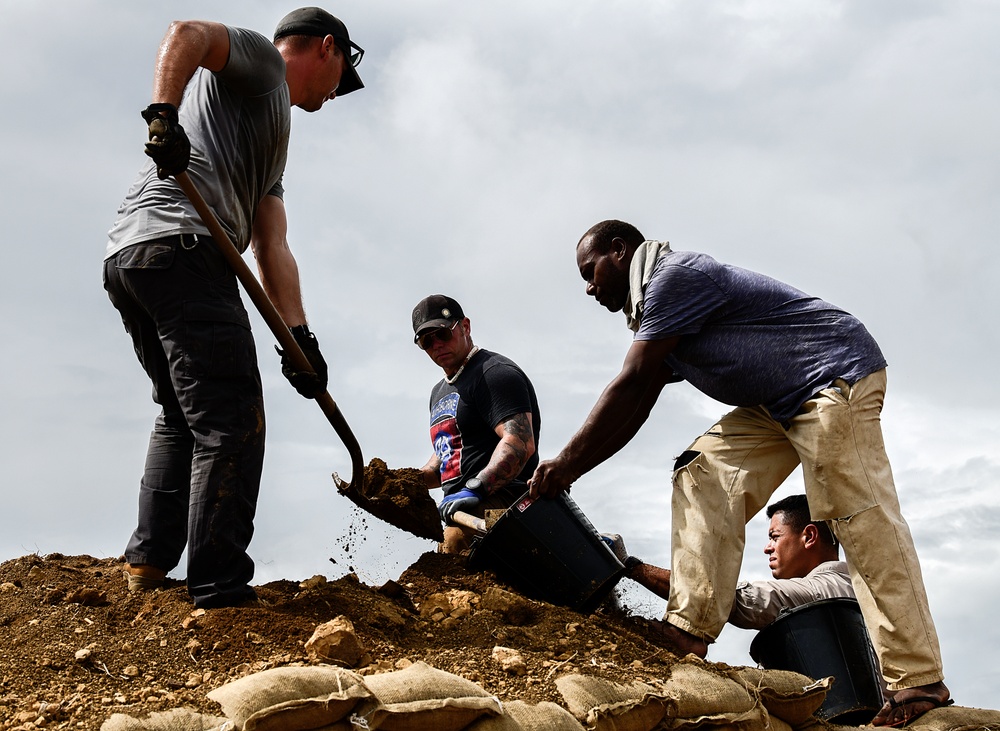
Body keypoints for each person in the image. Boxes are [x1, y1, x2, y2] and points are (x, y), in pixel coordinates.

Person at [529, 220, 951, 726]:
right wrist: (574, 470)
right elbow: (638, 402)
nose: (590, 287)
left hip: (831, 374)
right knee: (702, 470)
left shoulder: (673, 278)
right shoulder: (659, 319)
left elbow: (631, 381)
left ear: (620, 252)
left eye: (591, 272)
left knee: (859, 519)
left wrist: (566, 464)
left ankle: (918, 681)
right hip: (777, 402)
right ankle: (689, 628)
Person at [103, 8, 365, 608]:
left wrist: (301, 341)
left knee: (181, 412)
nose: (333, 96)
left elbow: (272, 245)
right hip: (183, 245)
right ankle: (217, 585)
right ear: (326, 48)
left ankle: (148, 563)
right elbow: (187, 34)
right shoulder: (264, 66)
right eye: (339, 78)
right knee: (230, 417)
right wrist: (163, 115)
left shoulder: (269, 149)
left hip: (134, 255)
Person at [412, 295, 541, 554]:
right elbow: (447, 458)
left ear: (465, 327)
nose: (436, 344)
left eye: (442, 334)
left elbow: (519, 443)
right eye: (427, 341)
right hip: (460, 510)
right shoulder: (439, 392)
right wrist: (402, 482)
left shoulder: (493, 374)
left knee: (453, 545)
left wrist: (477, 487)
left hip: (506, 501)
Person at [624, 494, 855, 630]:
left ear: (809, 536)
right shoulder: (862, 587)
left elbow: (721, 598)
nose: (767, 548)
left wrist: (633, 568)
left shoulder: (819, 589)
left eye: (775, 537)